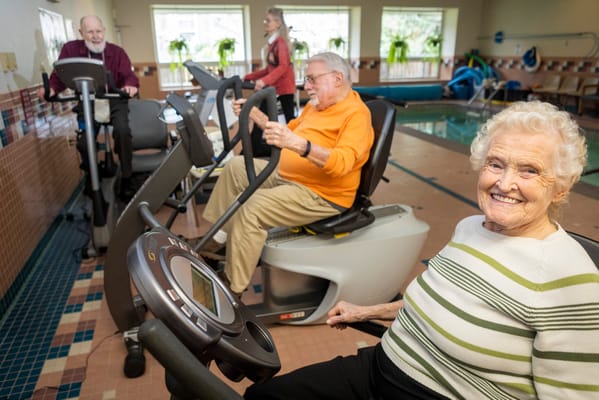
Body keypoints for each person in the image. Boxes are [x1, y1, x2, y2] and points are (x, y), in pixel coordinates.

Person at [244, 101, 599, 399]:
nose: (504, 183)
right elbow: (438, 299)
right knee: (261, 396)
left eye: (530, 170)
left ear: (562, 188)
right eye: (496, 164)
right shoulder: (473, 228)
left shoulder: (570, 283)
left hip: (433, 393)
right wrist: (366, 310)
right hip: (381, 366)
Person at [202, 52, 374, 296]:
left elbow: (342, 162)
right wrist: (254, 113)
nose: (307, 86)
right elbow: (287, 132)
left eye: (313, 79)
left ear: (337, 78)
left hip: (321, 193)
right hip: (287, 175)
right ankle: (218, 241)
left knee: (253, 206)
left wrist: (300, 145)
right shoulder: (316, 108)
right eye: (307, 79)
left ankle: (233, 287)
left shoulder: (356, 115)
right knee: (235, 167)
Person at [39, 15, 139, 200]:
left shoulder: (117, 52)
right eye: (90, 32)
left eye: (99, 31)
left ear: (104, 31)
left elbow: (129, 76)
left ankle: (127, 177)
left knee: (123, 131)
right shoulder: (70, 49)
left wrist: (130, 86)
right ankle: (91, 176)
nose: (96, 36)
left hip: (114, 100)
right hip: (88, 102)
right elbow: (59, 76)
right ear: (81, 33)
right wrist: (52, 88)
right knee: (84, 142)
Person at [242, 7, 296, 157]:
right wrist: (249, 77)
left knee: (290, 119)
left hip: (284, 87)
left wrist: (263, 81)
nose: (265, 23)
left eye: (268, 20)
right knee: (262, 115)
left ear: (278, 23)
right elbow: (269, 69)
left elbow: (283, 66)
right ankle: (253, 148)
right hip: (274, 86)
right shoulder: (273, 43)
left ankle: (296, 147)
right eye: (265, 20)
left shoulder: (281, 43)